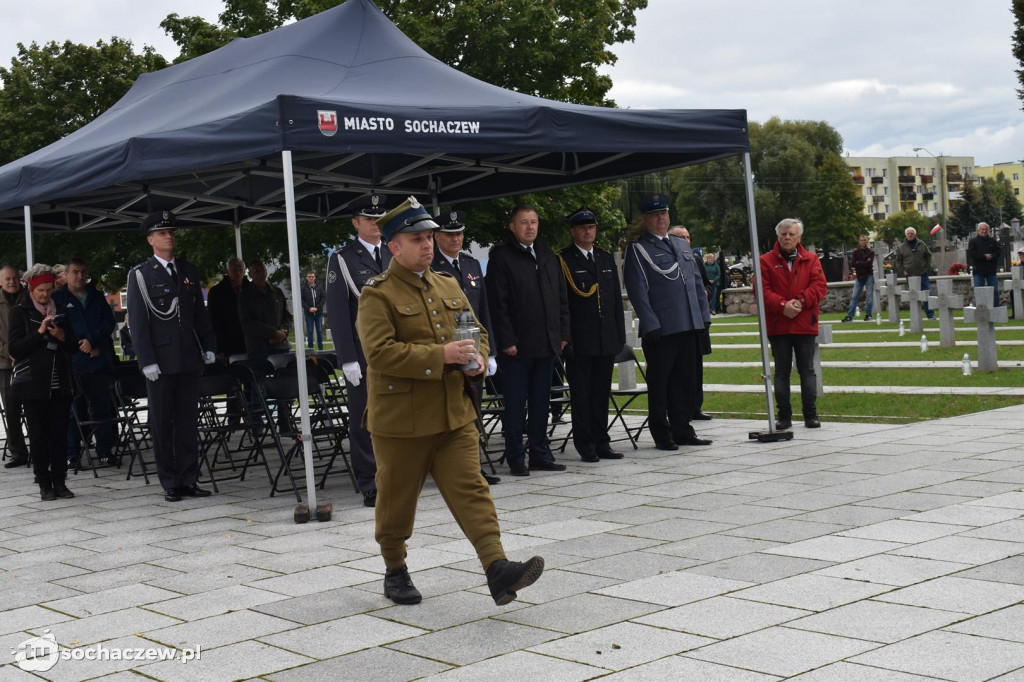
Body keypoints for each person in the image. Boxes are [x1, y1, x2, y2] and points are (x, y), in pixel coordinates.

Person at [356, 196, 544, 606]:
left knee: (472, 489)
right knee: (396, 501)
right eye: (417, 238)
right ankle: (395, 569)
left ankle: (497, 568)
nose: (427, 244)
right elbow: (380, 353)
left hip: (452, 411)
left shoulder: (447, 282)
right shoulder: (377, 294)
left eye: (429, 237)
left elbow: (474, 330)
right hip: (401, 420)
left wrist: (477, 358)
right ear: (393, 247)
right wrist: (440, 356)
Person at [126, 211, 217, 502]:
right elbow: (139, 322)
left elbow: (199, 314)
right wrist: (146, 360)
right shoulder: (140, 274)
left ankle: (189, 478)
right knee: (163, 422)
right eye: (162, 233)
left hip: (189, 357)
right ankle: (170, 481)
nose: (169, 236)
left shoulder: (188, 271)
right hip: (161, 361)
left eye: (171, 232)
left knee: (188, 421)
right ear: (150, 239)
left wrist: (209, 343)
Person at [485, 204, 570, 476]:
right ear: (513, 227)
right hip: (517, 348)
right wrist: (507, 340)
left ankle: (540, 453)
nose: (530, 227)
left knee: (540, 403)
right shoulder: (502, 257)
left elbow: (560, 298)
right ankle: (515, 457)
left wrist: (562, 335)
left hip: (546, 344)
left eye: (533, 222)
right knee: (515, 405)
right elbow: (498, 304)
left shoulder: (546, 254)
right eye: (524, 222)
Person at [623, 195, 712, 451]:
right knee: (660, 384)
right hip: (662, 328)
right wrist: (650, 324)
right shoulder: (639, 249)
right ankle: (662, 434)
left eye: (664, 213)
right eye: (654, 215)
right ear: (646, 219)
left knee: (685, 382)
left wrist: (703, 317)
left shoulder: (681, 245)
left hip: (689, 324)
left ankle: (683, 430)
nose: (661, 218)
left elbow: (696, 284)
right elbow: (637, 290)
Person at [326, 194, 389, 507]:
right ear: (356, 223)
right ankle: (369, 482)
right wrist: (347, 359)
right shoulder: (342, 259)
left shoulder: (393, 252)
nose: (375, 224)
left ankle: (394, 476)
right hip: (363, 355)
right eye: (368, 219)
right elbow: (337, 313)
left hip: (395, 352)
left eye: (379, 218)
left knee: (395, 417)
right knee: (364, 420)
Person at [431, 209, 500, 484]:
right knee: (447, 414)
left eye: (459, 233)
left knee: (473, 409)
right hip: (447, 352)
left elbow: (483, 310)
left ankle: (473, 468)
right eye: (449, 234)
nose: (455, 238)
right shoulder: (430, 267)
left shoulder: (471, 265)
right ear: (437, 236)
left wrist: (490, 350)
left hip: (473, 352)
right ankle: (446, 469)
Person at [558, 208, 625, 462]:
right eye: (583, 227)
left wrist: (619, 334)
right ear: (573, 231)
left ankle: (601, 441)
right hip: (580, 340)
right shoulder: (563, 260)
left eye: (592, 227)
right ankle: (585, 443)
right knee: (582, 395)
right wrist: (567, 338)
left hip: (605, 338)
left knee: (600, 393)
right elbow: (562, 303)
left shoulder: (605, 258)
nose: (588, 231)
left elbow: (616, 300)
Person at [9, 264, 78, 500]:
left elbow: (73, 346)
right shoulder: (20, 311)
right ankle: (44, 483)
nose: (46, 295)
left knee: (59, 434)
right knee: (39, 435)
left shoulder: (60, 309)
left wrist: (62, 336)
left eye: (49, 290)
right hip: (33, 385)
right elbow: (15, 348)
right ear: (32, 289)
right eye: (41, 291)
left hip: (60, 382)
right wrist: (39, 333)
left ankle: (60, 481)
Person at [760, 218, 827, 429]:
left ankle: (811, 415)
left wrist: (800, 301)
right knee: (781, 371)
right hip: (778, 325)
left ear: (799, 237)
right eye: (783, 234)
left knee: (807, 370)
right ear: (778, 237)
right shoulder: (765, 261)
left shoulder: (811, 259)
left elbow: (819, 287)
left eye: (791, 234)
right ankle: (784, 416)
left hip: (804, 323)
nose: (787, 237)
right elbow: (762, 291)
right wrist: (782, 305)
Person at [54, 258, 117, 467]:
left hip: (98, 361)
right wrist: (81, 343)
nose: (80, 276)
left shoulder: (97, 296)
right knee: (73, 412)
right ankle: (72, 455)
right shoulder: (58, 298)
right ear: (67, 273)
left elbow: (108, 323)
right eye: (75, 272)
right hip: (72, 363)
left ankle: (105, 451)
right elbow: (59, 329)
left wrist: (93, 340)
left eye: (83, 272)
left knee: (102, 410)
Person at [670, 226, 713, 422]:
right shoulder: (670, 259)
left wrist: (705, 293)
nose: (686, 241)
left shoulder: (694, 258)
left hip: (698, 322)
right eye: (682, 237)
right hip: (680, 322)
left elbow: (706, 284)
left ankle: (696, 406)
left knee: (697, 366)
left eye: (688, 237)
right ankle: (681, 409)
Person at [0, 265, 30, 469]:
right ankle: (18, 452)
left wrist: (23, 351)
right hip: (5, 364)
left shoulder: (29, 298)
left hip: (30, 360)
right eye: (7, 278)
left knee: (34, 407)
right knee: (12, 410)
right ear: (1, 281)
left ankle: (39, 448)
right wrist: (9, 352)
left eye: (15, 278)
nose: (12, 281)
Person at [238, 259, 292, 359]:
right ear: (250, 274)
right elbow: (247, 323)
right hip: (259, 348)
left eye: (262, 270)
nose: (260, 273)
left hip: (280, 346)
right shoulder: (245, 295)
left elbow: (287, 317)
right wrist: (273, 333)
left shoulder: (277, 292)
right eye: (256, 271)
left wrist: (283, 332)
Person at [207, 257, 248, 362]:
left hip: (250, 342)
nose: (238, 273)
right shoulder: (216, 292)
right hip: (228, 343)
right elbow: (214, 321)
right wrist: (219, 348)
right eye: (234, 270)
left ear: (244, 270)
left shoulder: (252, 289)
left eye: (240, 270)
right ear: (227, 271)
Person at [896, 227, 934, 320]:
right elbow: (898, 261)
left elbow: (928, 256)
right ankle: (916, 316)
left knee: (926, 294)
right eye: (908, 233)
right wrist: (903, 270)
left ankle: (930, 315)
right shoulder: (902, 247)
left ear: (915, 234)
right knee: (914, 297)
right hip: (910, 275)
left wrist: (927, 267)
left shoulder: (921, 244)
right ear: (906, 235)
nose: (910, 235)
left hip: (922, 273)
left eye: (912, 233)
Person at [843, 235, 875, 322]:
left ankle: (868, 314)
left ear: (867, 241)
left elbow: (869, 264)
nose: (863, 242)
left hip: (868, 275)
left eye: (865, 240)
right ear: (859, 242)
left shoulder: (871, 252)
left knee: (869, 296)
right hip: (859, 276)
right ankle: (850, 316)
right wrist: (864, 262)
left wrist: (859, 263)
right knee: (854, 296)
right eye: (862, 240)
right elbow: (853, 264)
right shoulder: (856, 252)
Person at [967, 222, 1001, 307]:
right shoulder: (973, 241)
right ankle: (981, 311)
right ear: (978, 230)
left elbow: (998, 252)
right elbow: (972, 254)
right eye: (982, 229)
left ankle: (995, 310)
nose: (984, 231)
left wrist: (992, 256)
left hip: (991, 271)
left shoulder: (993, 241)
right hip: (978, 271)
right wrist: (984, 257)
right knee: (979, 292)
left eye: (986, 229)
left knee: (994, 292)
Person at [300, 271, 326, 350]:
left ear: (314, 277)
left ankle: (320, 349)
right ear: (307, 278)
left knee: (319, 331)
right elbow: (302, 300)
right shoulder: (303, 288)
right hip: (309, 314)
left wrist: (317, 308)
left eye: (312, 276)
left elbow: (323, 298)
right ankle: (310, 349)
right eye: (309, 276)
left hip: (318, 313)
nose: (311, 278)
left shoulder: (319, 287)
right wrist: (309, 308)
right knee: (310, 332)